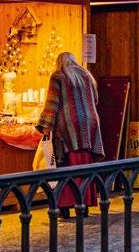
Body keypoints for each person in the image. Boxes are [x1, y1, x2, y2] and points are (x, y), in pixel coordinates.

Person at [36, 52, 104, 220]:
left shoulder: (58, 76)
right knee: (85, 163)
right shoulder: (86, 75)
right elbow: (95, 99)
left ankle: (64, 207)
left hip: (68, 124)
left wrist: (45, 126)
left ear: (59, 63)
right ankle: (84, 205)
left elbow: (52, 103)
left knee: (65, 164)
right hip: (89, 122)